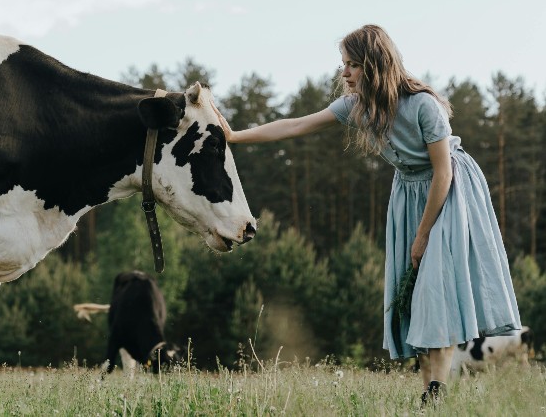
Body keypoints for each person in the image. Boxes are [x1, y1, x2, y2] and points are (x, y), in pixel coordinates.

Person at [217, 24, 521, 404]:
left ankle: (436, 391)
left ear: (375, 65)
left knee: (435, 289)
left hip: (448, 192)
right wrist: (234, 136)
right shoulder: (356, 108)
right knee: (411, 293)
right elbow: (296, 125)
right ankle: (429, 391)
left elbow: (443, 172)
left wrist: (423, 235)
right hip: (408, 193)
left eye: (353, 65)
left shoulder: (424, 105)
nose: (344, 73)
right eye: (343, 64)